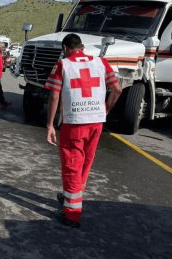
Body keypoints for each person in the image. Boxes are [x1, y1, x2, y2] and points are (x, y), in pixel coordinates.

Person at [45, 33, 122, 228]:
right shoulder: (101, 62)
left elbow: (54, 96)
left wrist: (50, 125)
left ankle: (72, 215)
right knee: (85, 163)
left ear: (65, 48)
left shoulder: (63, 64)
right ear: (82, 47)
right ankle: (73, 196)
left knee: (72, 165)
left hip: (74, 123)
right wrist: (105, 109)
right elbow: (117, 89)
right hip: (96, 122)